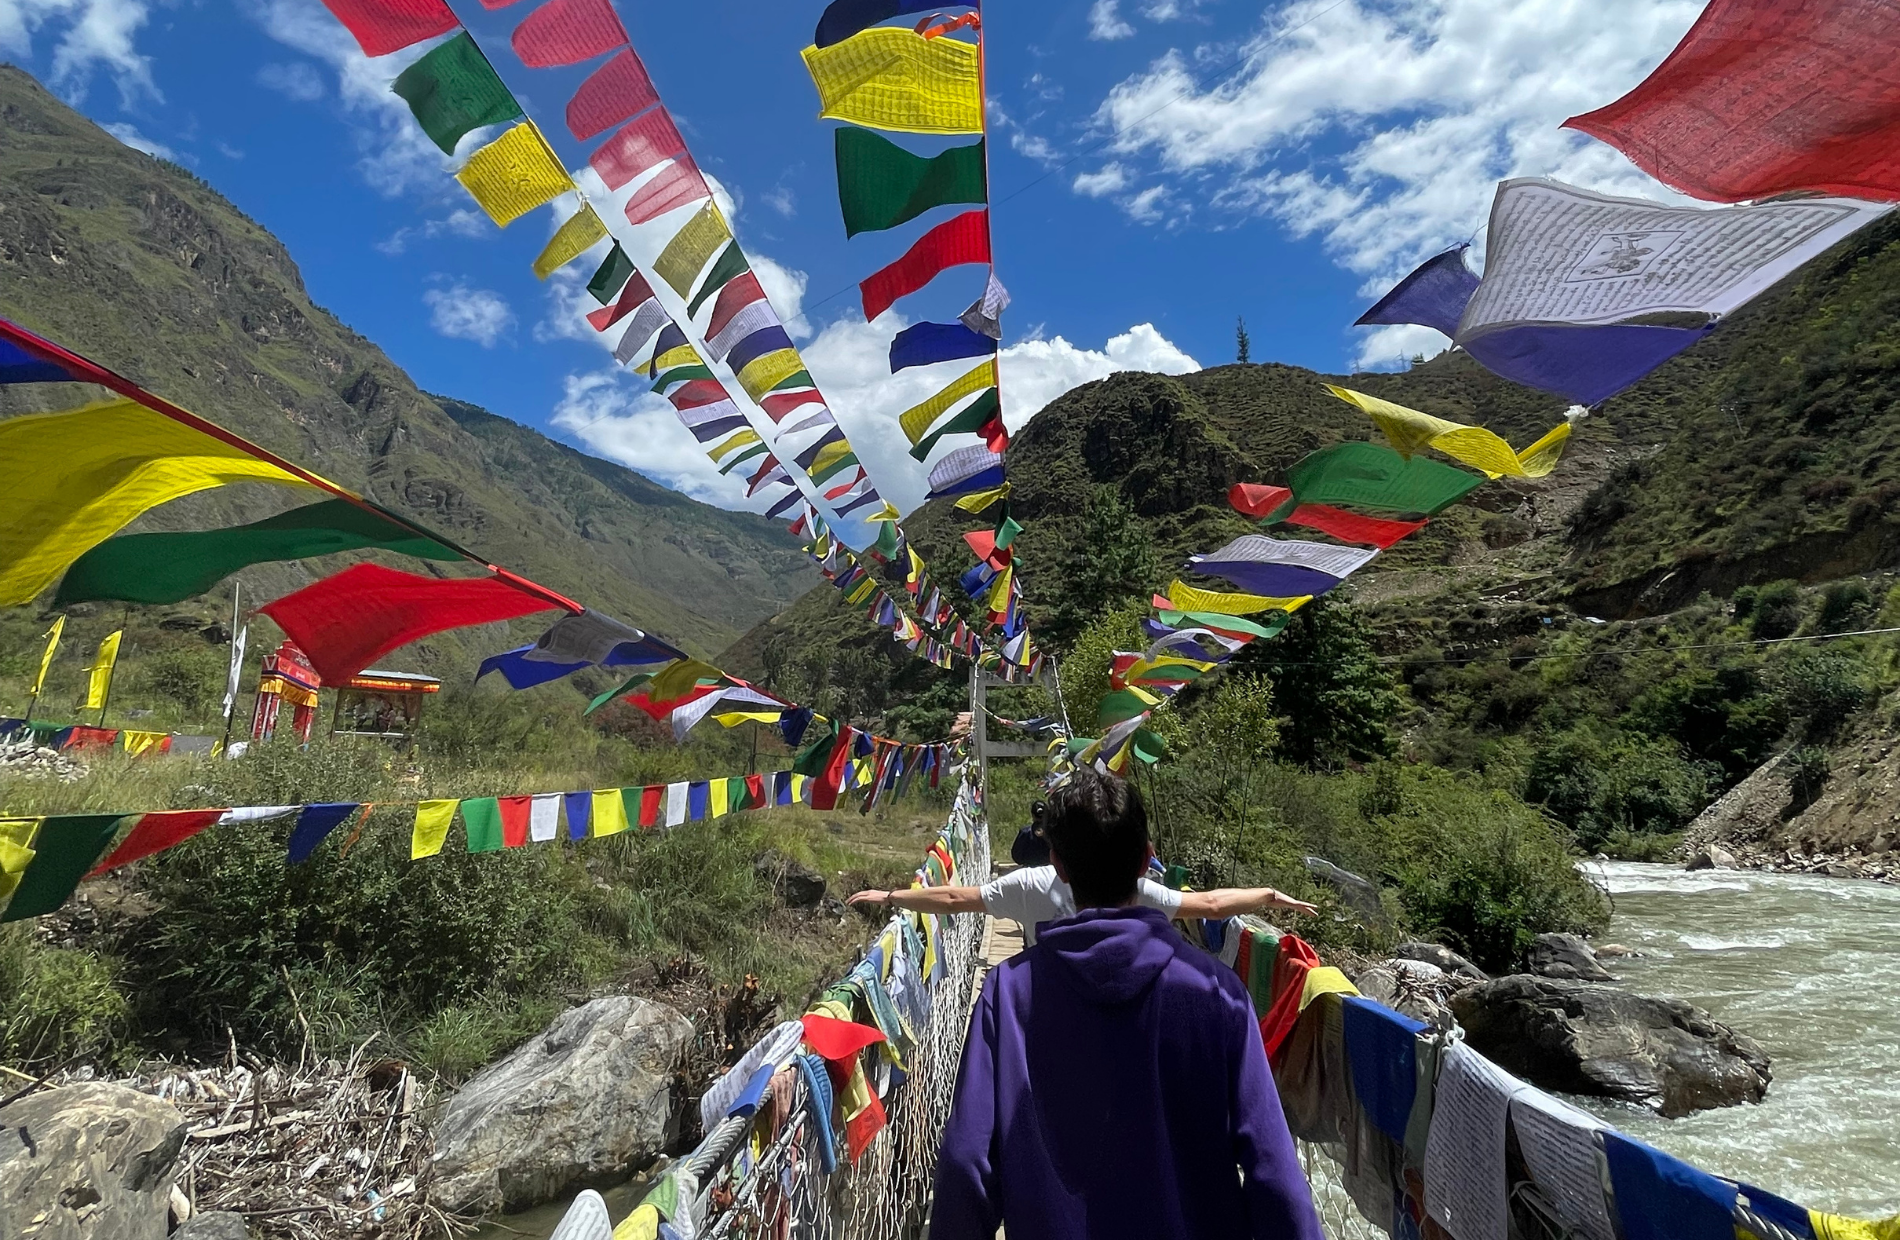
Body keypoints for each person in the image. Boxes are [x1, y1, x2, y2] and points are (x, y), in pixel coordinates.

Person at [930, 770, 1323, 1240]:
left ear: (1057, 865)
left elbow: (967, 1160)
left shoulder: (1007, 993)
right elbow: (1274, 1171)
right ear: (1146, 860)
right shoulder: (1218, 992)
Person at [847, 826, 1316, 947]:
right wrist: (1269, 896)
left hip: (1046, 1010)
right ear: (1140, 860)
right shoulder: (1141, 893)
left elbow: (954, 896)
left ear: (1059, 859)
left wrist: (891, 897)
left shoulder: (1031, 884)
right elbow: (1213, 905)